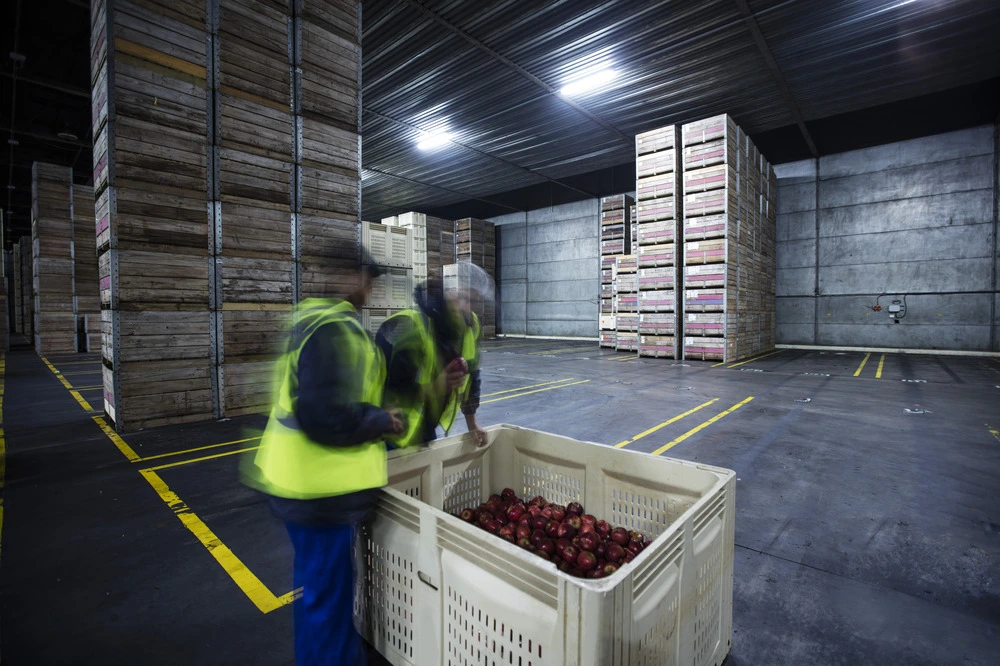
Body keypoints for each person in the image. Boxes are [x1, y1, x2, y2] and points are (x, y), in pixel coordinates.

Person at [243, 251, 404, 666]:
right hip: (318, 488)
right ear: (352, 276)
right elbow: (323, 416)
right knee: (329, 599)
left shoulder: (314, 319)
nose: (372, 288)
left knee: (319, 593)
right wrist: (380, 420)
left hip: (301, 483)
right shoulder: (332, 330)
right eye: (370, 278)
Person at [376, 264, 492, 449]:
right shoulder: (409, 325)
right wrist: (434, 387)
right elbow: (384, 389)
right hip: (390, 433)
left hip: (427, 429)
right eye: (461, 297)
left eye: (472, 301)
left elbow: (472, 377)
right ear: (444, 292)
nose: (465, 307)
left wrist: (472, 423)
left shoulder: (470, 327)